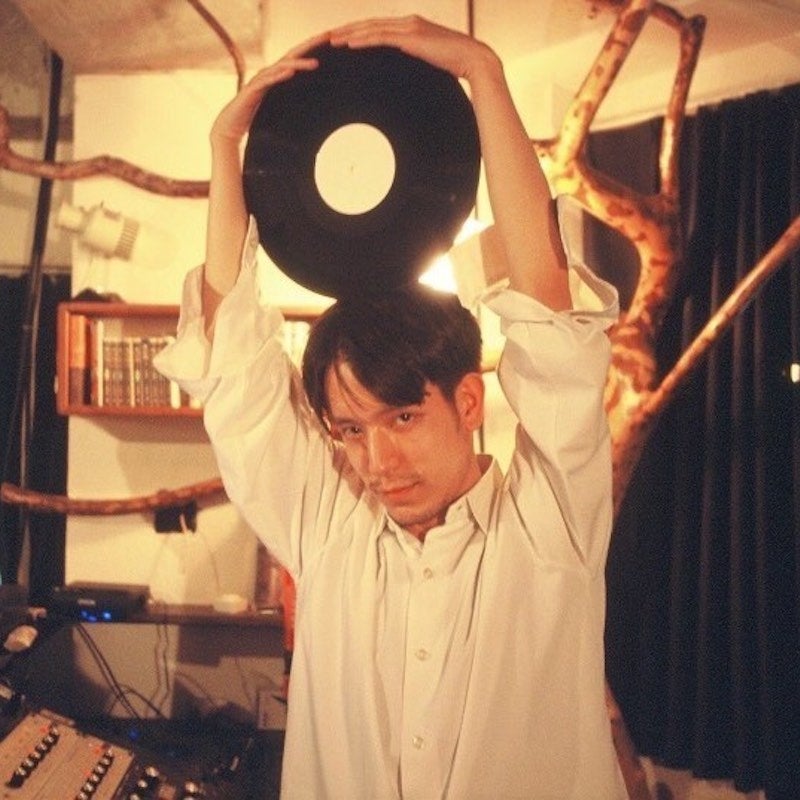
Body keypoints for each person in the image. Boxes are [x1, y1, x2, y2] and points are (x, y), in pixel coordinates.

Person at [156, 15, 628, 800]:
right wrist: (224, 150)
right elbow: (234, 364)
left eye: (402, 418)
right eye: (349, 430)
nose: (377, 461)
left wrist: (483, 75)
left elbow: (551, 318)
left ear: (467, 400)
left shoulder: (552, 523)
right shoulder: (327, 529)